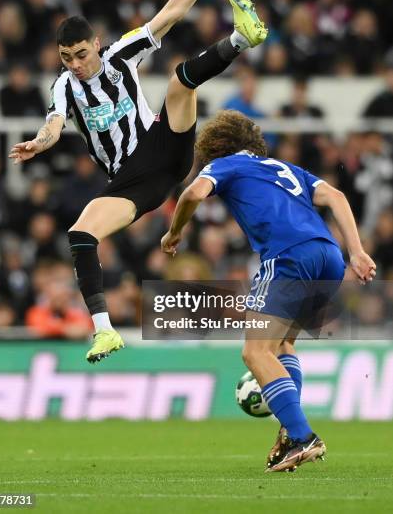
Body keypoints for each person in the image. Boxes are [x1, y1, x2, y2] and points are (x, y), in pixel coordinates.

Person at [9, 0, 268, 363]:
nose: (76, 64)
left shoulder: (120, 54)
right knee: (80, 234)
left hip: (161, 146)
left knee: (179, 82)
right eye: (66, 58)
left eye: (80, 54)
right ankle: (105, 331)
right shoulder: (64, 88)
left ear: (95, 44)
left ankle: (242, 39)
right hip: (136, 183)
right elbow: (54, 124)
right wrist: (40, 142)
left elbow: (171, 12)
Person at [161, 110, 376, 473]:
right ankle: (291, 434)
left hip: (289, 256)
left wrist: (175, 231)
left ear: (216, 146)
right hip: (329, 257)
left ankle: (304, 436)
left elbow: (193, 192)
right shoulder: (284, 168)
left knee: (255, 351)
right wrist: (356, 251)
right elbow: (336, 196)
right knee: (282, 345)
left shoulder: (225, 164)